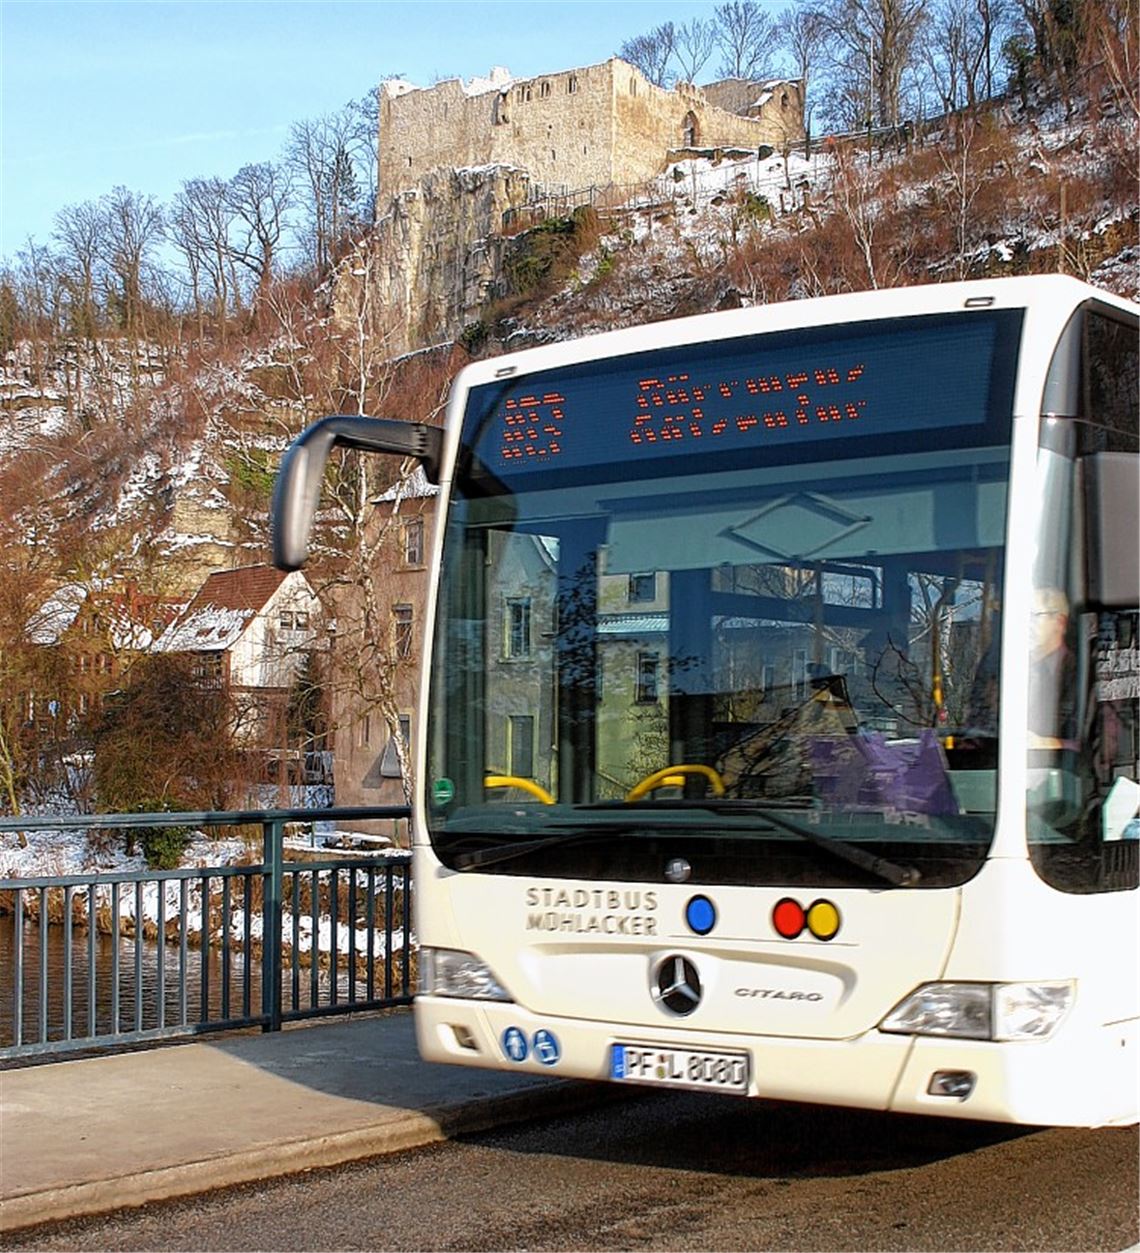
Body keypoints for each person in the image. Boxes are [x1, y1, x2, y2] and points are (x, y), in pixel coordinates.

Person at [1028, 587, 1077, 749]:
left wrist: (1047, 744)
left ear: (1059, 622)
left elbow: (1102, 746)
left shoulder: (1081, 674)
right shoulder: (1010, 671)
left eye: (1033, 616)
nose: (1026, 625)